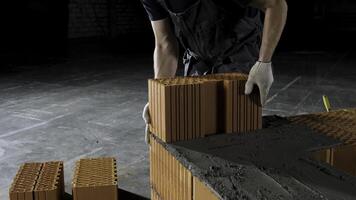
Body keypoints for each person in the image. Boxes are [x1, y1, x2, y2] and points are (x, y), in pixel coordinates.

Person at [141, 0, 288, 143]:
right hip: (199, 61)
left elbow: (275, 4)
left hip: (237, 57)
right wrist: (158, 97)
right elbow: (164, 43)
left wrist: (264, 62)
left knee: (236, 131)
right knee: (193, 130)